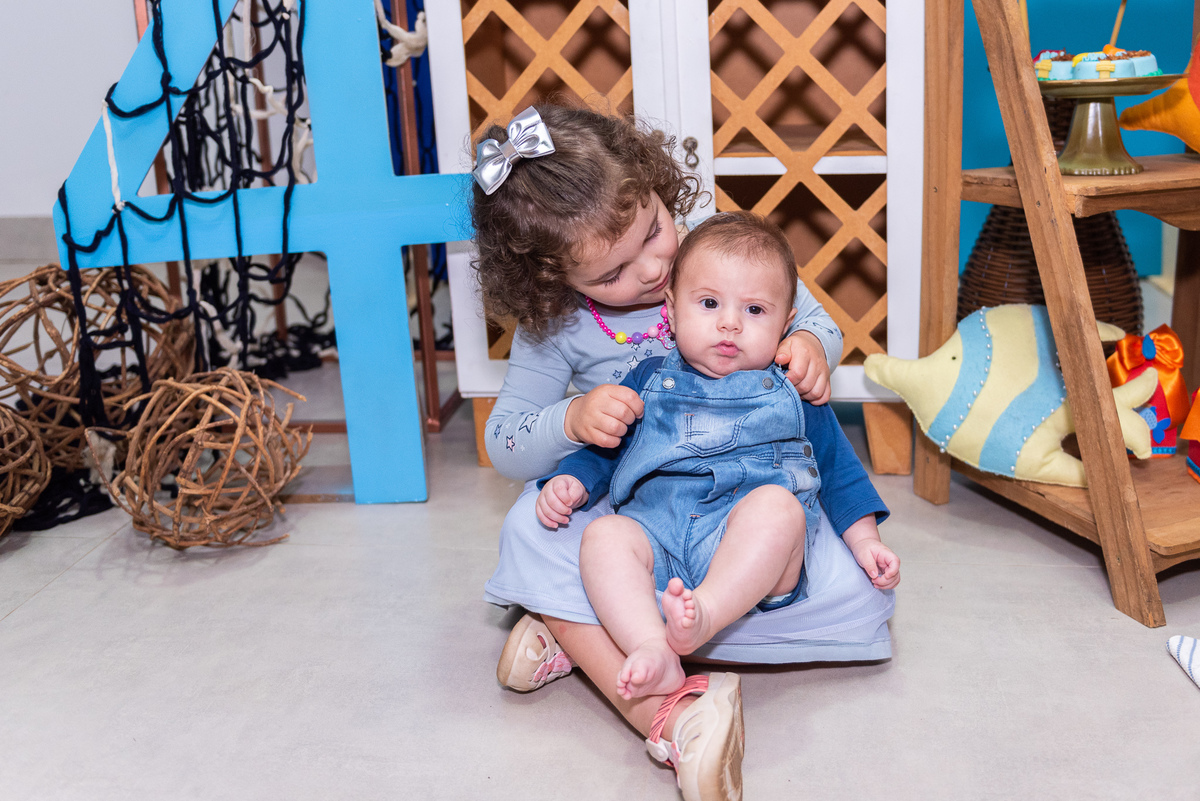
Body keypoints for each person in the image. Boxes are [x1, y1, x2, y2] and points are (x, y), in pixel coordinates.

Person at [470, 103, 895, 801]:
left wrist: (809, 346)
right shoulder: (556, 325)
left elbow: (810, 318)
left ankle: (572, 632)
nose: (654, 266)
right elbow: (505, 443)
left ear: (658, 188)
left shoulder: (716, 247)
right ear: (553, 280)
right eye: (612, 273)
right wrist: (574, 420)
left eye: (653, 230)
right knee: (534, 528)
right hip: (642, 499)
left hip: (752, 493)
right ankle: (665, 698)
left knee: (847, 579)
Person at [534, 212, 900, 710]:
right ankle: (651, 644)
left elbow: (839, 471)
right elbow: (608, 447)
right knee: (604, 536)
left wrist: (866, 541)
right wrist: (572, 480)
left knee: (778, 507)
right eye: (709, 304)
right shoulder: (648, 379)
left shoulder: (791, 390)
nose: (730, 323)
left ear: (786, 323)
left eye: (755, 310)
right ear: (672, 310)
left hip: (753, 562)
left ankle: (704, 613)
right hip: (658, 539)